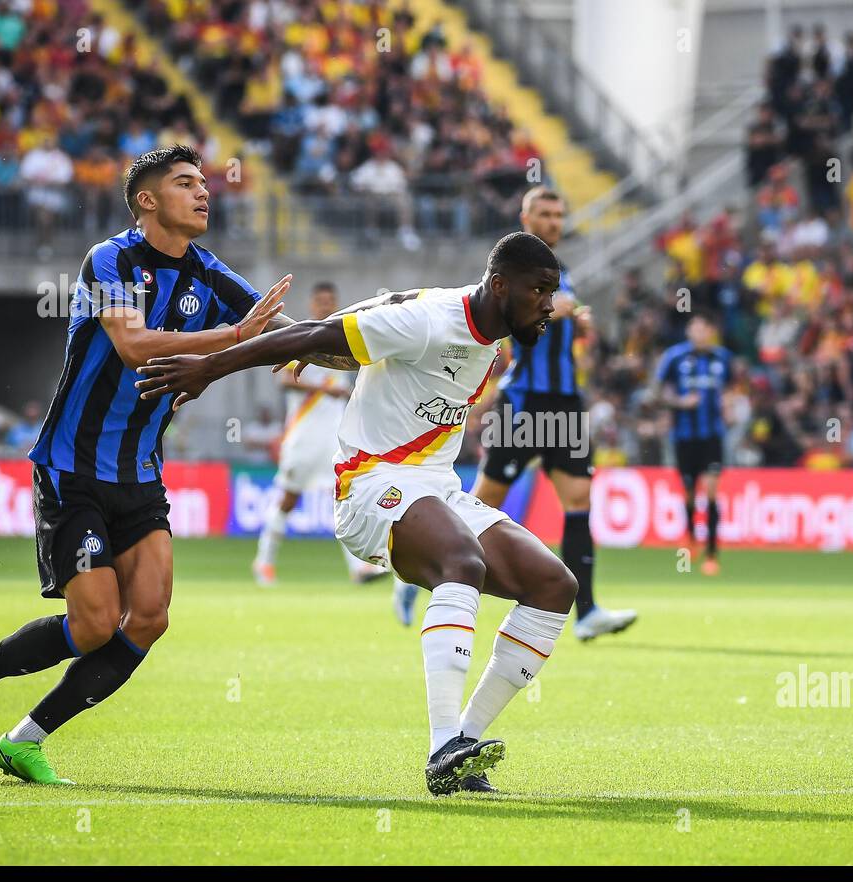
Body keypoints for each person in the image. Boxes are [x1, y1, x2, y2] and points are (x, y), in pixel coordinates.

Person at [134, 232, 580, 796]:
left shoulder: (487, 334)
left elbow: (374, 311)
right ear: (499, 285)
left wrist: (319, 338)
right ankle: (444, 742)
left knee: (553, 584)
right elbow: (324, 332)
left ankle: (463, 746)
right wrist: (207, 368)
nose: (549, 304)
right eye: (539, 290)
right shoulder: (432, 320)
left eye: (553, 292)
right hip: (370, 488)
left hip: (435, 489)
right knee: (461, 563)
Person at [0, 144, 291, 784]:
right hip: (74, 470)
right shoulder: (109, 259)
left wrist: (369, 341)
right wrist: (235, 338)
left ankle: (24, 740)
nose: (204, 192)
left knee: (148, 618)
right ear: (147, 200)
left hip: (139, 475)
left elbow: (280, 330)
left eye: (204, 183)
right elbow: (133, 345)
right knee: (93, 624)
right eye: (185, 183)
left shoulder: (209, 271)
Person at [466, 185, 637, 641]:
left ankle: (587, 613)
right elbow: (502, 327)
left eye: (559, 215)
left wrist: (576, 322)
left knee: (579, 500)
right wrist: (553, 313)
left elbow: (556, 317)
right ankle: (431, 578)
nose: (554, 222)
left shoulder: (563, 273)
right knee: (483, 505)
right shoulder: (510, 270)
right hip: (523, 401)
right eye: (544, 214)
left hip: (566, 401)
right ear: (525, 217)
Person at [253, 281, 387, 585]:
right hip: (302, 433)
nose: (326, 306)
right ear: (313, 305)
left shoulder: (342, 340)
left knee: (342, 495)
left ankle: (359, 568)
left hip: (333, 434)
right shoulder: (301, 337)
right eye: (321, 301)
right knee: (289, 498)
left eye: (330, 301)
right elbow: (284, 380)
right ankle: (263, 561)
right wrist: (323, 391)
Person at [655, 314, 732, 575]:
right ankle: (690, 536)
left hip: (712, 436)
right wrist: (679, 402)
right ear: (689, 332)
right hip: (684, 437)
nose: (699, 333)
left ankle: (712, 554)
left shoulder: (722, 358)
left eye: (704, 329)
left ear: (710, 331)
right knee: (688, 491)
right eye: (695, 329)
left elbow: (731, 388)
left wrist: (729, 405)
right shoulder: (675, 358)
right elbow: (660, 391)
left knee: (711, 491)